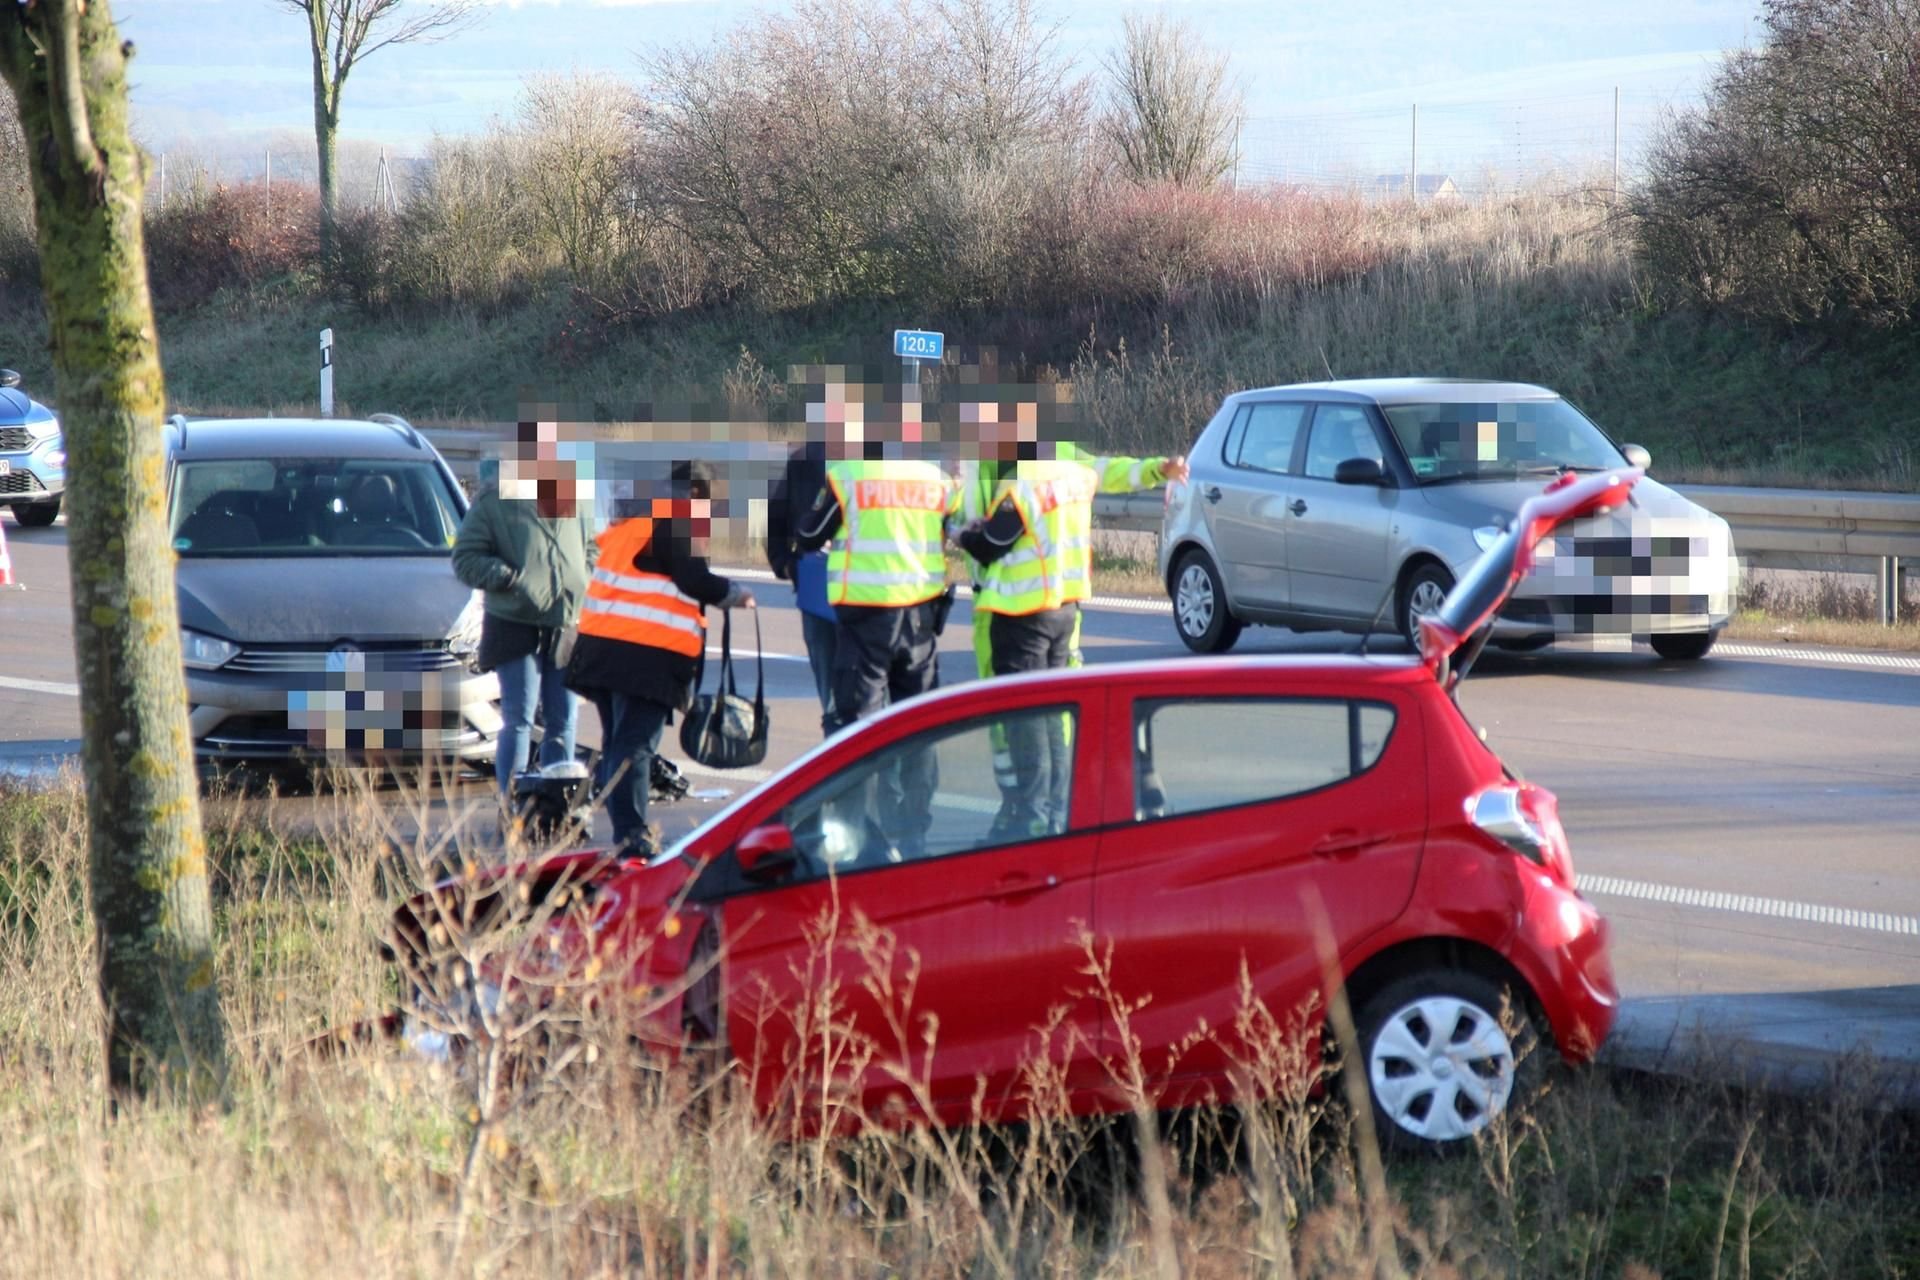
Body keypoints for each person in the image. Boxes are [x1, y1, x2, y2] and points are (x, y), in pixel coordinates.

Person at [951, 389, 1188, 812]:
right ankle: (1036, 800)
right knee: (1031, 709)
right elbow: (1104, 471)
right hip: (1045, 603)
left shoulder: (1035, 467)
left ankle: (1032, 807)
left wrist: (1155, 470)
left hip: (1015, 606)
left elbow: (982, 537)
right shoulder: (991, 461)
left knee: (1026, 713)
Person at [566, 461, 753, 858]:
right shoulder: (676, 519)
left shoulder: (633, 523)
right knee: (634, 747)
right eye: (712, 506)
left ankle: (623, 830)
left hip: (602, 653)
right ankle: (633, 836)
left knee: (618, 743)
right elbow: (693, 580)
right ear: (697, 495)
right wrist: (735, 594)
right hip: (642, 658)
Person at [794, 436, 956, 857]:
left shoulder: (848, 477)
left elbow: (809, 535)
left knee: (858, 725)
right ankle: (912, 833)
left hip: (866, 619)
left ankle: (852, 833)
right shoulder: (936, 481)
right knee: (917, 725)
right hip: (921, 620)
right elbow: (954, 529)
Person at [453, 425, 597, 810]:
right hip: (515, 624)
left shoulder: (574, 497)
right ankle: (514, 806)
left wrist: (582, 578)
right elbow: (465, 558)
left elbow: (592, 545)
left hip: (565, 623)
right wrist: (507, 578)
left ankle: (558, 804)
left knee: (563, 719)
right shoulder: (495, 501)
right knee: (518, 719)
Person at [766, 373, 868, 734]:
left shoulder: (874, 463)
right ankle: (835, 742)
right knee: (827, 679)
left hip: (864, 588)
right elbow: (777, 513)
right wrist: (784, 564)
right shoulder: (804, 460)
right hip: (816, 585)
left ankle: (859, 743)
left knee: (862, 684)